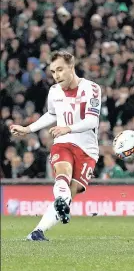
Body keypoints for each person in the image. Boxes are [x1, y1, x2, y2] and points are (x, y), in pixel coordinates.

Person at [10, 51, 101, 241]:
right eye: (53, 72)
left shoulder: (91, 89)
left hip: (87, 150)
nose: (56, 75)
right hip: (63, 142)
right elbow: (52, 114)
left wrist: (68, 128)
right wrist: (29, 129)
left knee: (71, 191)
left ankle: (41, 227)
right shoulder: (54, 91)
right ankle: (38, 231)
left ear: (71, 67)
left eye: (60, 69)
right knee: (62, 174)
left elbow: (92, 120)